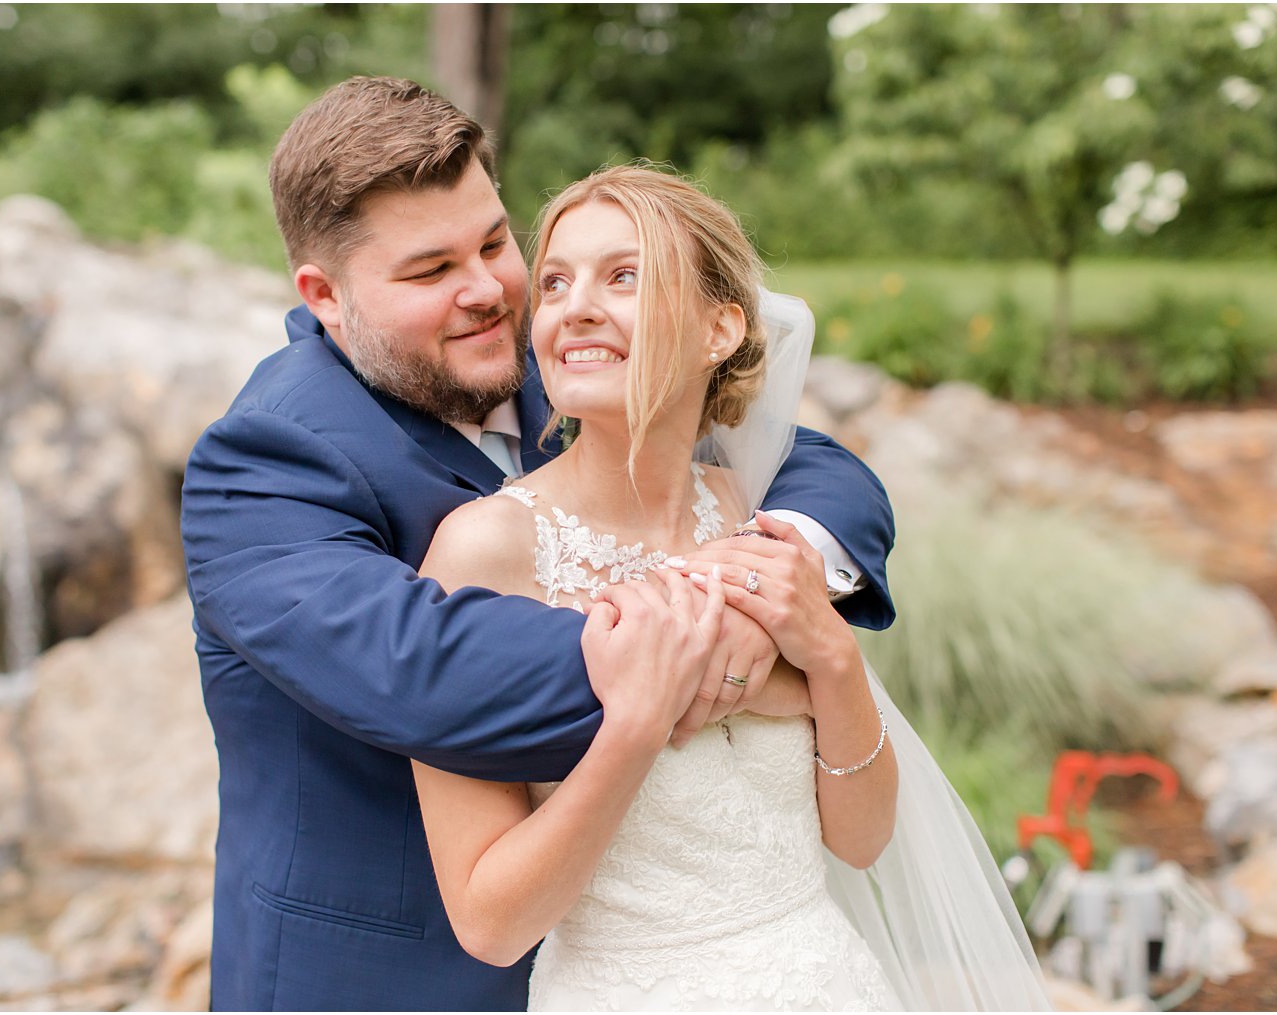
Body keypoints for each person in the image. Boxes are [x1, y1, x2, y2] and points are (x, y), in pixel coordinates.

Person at [180, 76, 897, 1012]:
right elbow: (429, 670)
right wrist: (755, 658)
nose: (490, 292)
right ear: (325, 294)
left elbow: (815, 465)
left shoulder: (561, 352)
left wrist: (788, 558)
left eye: (494, 243)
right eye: (432, 270)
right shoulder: (264, 464)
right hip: (383, 982)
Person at [414, 164, 1051, 1010]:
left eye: (625, 276)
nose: (576, 308)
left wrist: (828, 654)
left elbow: (861, 839)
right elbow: (490, 924)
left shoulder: (749, 510)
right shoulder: (482, 550)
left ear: (721, 328)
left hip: (825, 978)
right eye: (558, 281)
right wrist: (634, 726)